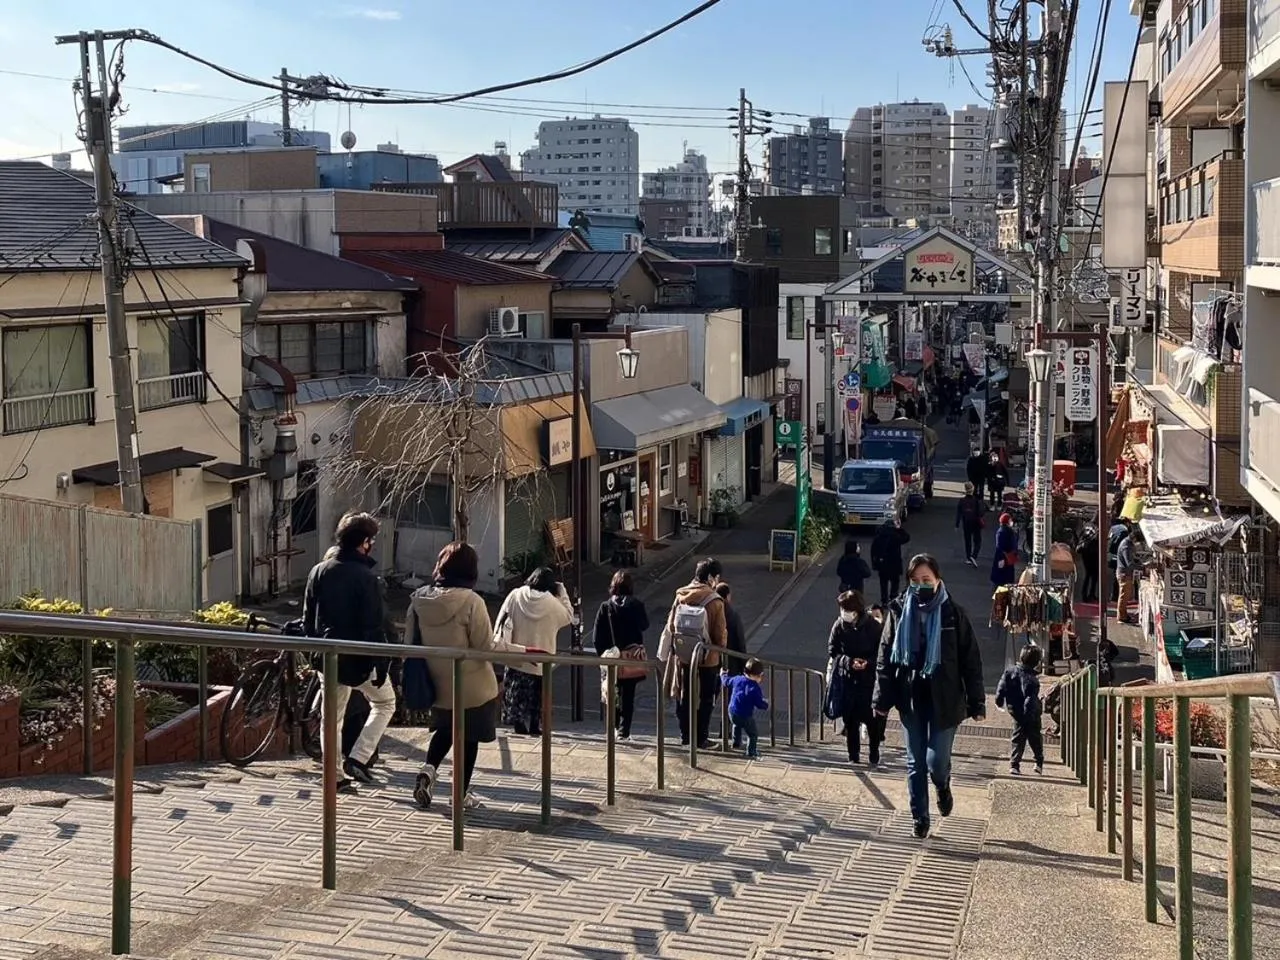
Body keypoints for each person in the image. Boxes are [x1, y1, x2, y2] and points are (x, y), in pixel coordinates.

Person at [405, 542, 544, 810]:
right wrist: (523, 651)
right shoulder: (472, 601)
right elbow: (485, 647)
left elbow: (409, 644)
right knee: (468, 738)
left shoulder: (417, 599)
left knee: (445, 729)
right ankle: (460, 794)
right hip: (473, 686)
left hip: (437, 684)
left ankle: (428, 769)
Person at [874, 553, 986, 839]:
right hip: (911, 696)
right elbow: (885, 658)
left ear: (938, 580)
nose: (920, 586)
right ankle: (920, 818)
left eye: (926, 580)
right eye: (915, 581)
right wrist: (881, 700)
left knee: (936, 762)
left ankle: (942, 785)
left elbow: (970, 660)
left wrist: (977, 702)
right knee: (916, 763)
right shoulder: (899, 610)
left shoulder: (953, 613)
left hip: (946, 697)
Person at [303, 512, 395, 786]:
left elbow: (309, 618)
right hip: (358, 659)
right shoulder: (366, 578)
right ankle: (358, 757)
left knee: (330, 718)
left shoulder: (319, 571)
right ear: (364, 542)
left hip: (326, 656)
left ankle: (333, 776)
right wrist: (381, 663)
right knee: (385, 702)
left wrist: (313, 654)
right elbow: (374, 626)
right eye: (372, 540)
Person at [493, 566, 576, 737]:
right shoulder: (552, 603)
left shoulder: (515, 595)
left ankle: (517, 723)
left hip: (517, 655)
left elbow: (501, 618)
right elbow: (569, 616)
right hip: (541, 659)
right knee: (537, 696)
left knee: (516, 692)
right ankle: (534, 726)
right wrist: (562, 592)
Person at [660, 557, 728, 749]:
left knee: (684, 694)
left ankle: (685, 735)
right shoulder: (715, 601)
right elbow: (720, 635)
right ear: (711, 578)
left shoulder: (681, 594)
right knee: (706, 697)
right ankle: (701, 738)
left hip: (683, 655)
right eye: (716, 577)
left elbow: (672, 624)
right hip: (707, 658)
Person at [828, 590, 885, 766]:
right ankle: (853, 755)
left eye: (846, 609)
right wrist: (848, 661)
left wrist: (867, 663)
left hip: (868, 681)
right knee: (851, 720)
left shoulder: (873, 627)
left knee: (871, 720)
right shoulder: (839, 625)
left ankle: (874, 752)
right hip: (848, 679)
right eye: (842, 609)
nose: (843, 612)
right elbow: (833, 649)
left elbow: (882, 653)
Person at [593, 570, 650, 740]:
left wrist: (603, 655)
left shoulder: (605, 607)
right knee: (628, 696)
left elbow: (597, 637)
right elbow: (645, 625)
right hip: (631, 658)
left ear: (613, 586)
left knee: (612, 693)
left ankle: (614, 727)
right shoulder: (637, 605)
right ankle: (625, 731)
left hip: (612, 657)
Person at [996, 644, 1045, 775]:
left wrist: (999, 701)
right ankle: (1038, 762)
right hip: (1031, 714)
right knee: (1035, 738)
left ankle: (1014, 764)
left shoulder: (1009, 672)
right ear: (1036, 662)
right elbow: (1030, 699)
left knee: (1018, 737)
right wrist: (1029, 714)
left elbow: (1001, 687)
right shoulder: (1032, 680)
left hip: (1015, 711)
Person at [720, 657, 769, 759]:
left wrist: (723, 674)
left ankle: (736, 743)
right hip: (745, 715)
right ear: (758, 676)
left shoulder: (737, 679)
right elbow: (759, 704)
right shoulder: (754, 688)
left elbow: (726, 682)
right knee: (753, 734)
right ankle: (751, 751)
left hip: (732, 711)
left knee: (736, 725)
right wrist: (766, 704)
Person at [870, 517, 911, 605]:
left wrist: (875, 564)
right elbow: (906, 538)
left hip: (882, 564)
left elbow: (873, 551)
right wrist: (899, 529)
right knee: (895, 582)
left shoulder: (878, 536)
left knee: (883, 583)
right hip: (894, 563)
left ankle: (884, 601)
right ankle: (893, 598)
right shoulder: (895, 536)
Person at [716, 582, 748, 677]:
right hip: (732, 659)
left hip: (714, 659)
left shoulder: (712, 611)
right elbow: (740, 640)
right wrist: (744, 662)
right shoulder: (733, 615)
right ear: (728, 596)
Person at [955, 482, 987, 567]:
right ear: (972, 489)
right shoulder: (976, 500)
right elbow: (980, 512)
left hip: (966, 523)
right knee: (978, 541)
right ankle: (974, 556)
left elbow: (959, 513)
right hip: (976, 522)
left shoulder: (962, 501)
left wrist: (957, 524)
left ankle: (968, 557)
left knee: (967, 541)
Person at [1116, 522, 1139, 625]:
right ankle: (1121, 616)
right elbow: (1129, 563)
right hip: (1124, 574)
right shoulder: (1126, 546)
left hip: (1124, 573)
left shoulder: (1126, 543)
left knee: (1125, 595)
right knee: (1124, 595)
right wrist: (1141, 566)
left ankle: (1123, 615)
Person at [991, 513, 1019, 588]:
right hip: (1005, 557)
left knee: (1001, 576)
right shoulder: (1004, 532)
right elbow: (1000, 547)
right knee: (1003, 577)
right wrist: (1002, 558)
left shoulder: (1003, 531)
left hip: (1005, 557)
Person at [1078, 524, 1100, 604]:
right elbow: (1097, 540)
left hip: (1085, 553)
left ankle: (1085, 594)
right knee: (1094, 575)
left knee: (1087, 575)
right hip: (1093, 554)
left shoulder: (1086, 526)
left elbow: (1080, 537)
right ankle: (1091, 594)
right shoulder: (1097, 529)